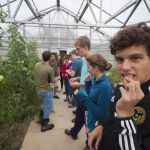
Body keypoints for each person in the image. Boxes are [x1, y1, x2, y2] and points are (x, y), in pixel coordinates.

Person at [88, 22, 150, 150]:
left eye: (135, 58)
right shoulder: (120, 87)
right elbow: (110, 115)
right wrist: (101, 126)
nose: (125, 67)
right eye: (120, 60)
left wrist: (125, 114)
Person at [74, 54, 112, 135]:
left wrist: (84, 98)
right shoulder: (96, 80)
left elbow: (102, 115)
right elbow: (92, 97)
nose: (87, 70)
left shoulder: (104, 87)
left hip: (97, 128)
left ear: (96, 68)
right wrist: (87, 83)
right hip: (92, 121)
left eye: (88, 67)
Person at [64, 36, 91, 150]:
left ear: (85, 47)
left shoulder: (93, 61)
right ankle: (74, 132)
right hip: (82, 95)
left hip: (88, 97)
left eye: (78, 48)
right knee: (79, 115)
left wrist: (78, 85)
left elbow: (95, 83)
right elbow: (87, 76)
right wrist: (77, 79)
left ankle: (90, 143)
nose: (76, 51)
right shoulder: (84, 60)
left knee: (89, 122)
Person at [34, 51, 58, 132]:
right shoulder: (49, 69)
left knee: (43, 104)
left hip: (38, 89)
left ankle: (40, 119)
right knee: (48, 106)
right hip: (46, 91)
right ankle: (44, 124)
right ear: (49, 58)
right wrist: (58, 78)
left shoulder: (37, 65)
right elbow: (53, 81)